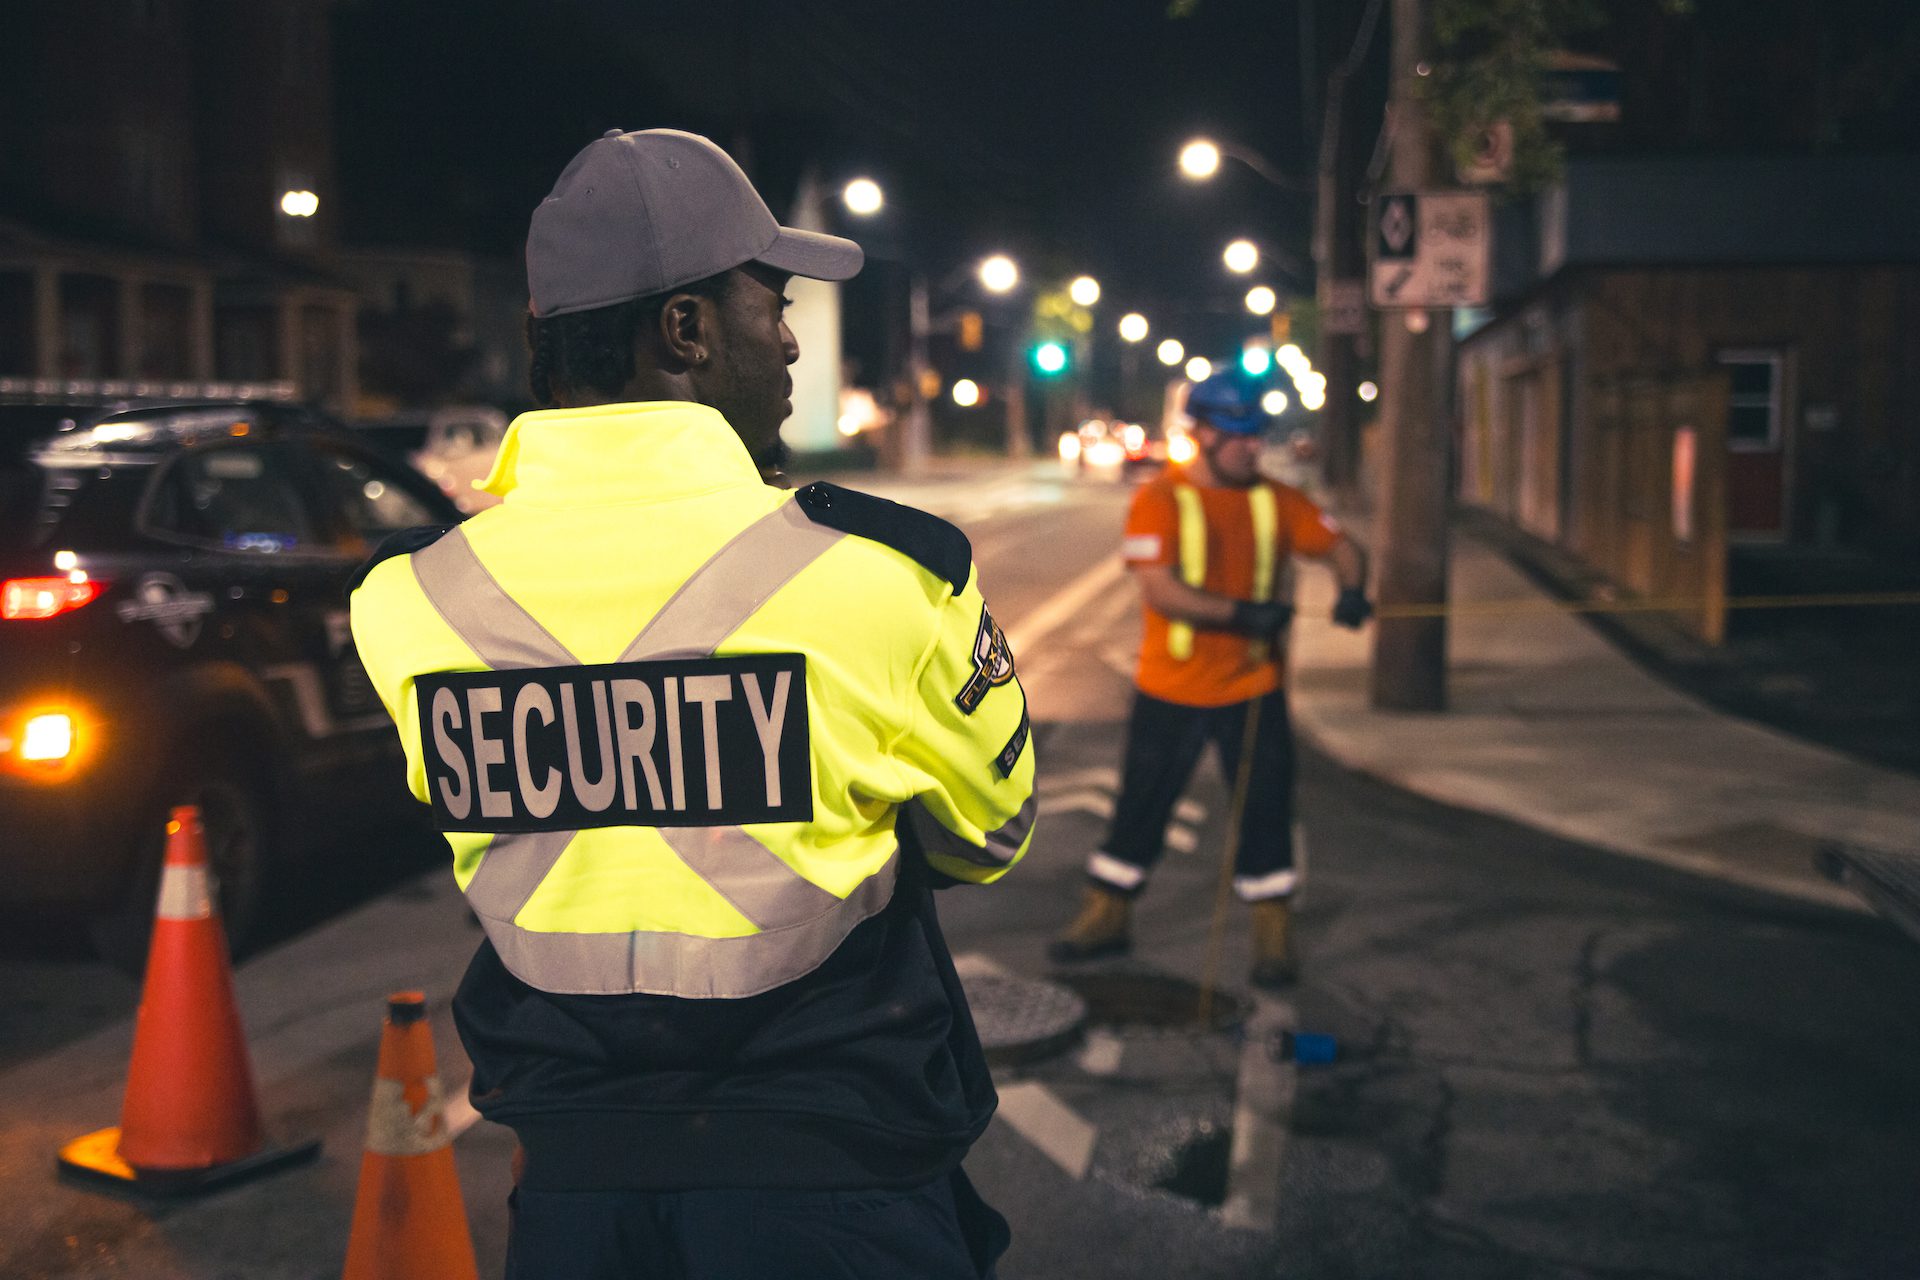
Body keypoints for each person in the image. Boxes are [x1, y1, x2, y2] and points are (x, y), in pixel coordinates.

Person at [349, 129, 1034, 1280]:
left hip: (572, 1203)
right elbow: (992, 835)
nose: (790, 343)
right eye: (773, 303)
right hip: (837, 1189)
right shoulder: (882, 573)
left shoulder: (409, 599)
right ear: (686, 329)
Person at [1049, 369, 1369, 987]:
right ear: (1202, 434)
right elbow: (1161, 591)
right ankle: (1106, 916)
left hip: (1253, 691)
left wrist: (1353, 590)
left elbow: (1342, 546)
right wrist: (1242, 614)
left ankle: (1273, 935)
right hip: (1169, 691)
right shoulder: (1159, 500)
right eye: (1237, 435)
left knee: (1266, 812)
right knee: (1140, 809)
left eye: (1257, 434)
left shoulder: (1275, 499)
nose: (1252, 446)